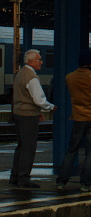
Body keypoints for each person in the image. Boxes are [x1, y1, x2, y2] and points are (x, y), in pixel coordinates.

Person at [56, 49, 91, 192]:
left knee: (72, 151)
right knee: (90, 152)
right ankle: (85, 184)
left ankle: (61, 182)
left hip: (78, 117)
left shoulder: (70, 77)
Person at [10, 49, 56, 189]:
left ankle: (15, 175)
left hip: (19, 113)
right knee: (29, 148)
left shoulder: (20, 74)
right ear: (31, 61)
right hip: (28, 116)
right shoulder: (32, 77)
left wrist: (37, 111)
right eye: (39, 60)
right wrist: (50, 107)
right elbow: (39, 99)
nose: (41, 62)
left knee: (21, 146)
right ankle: (24, 178)